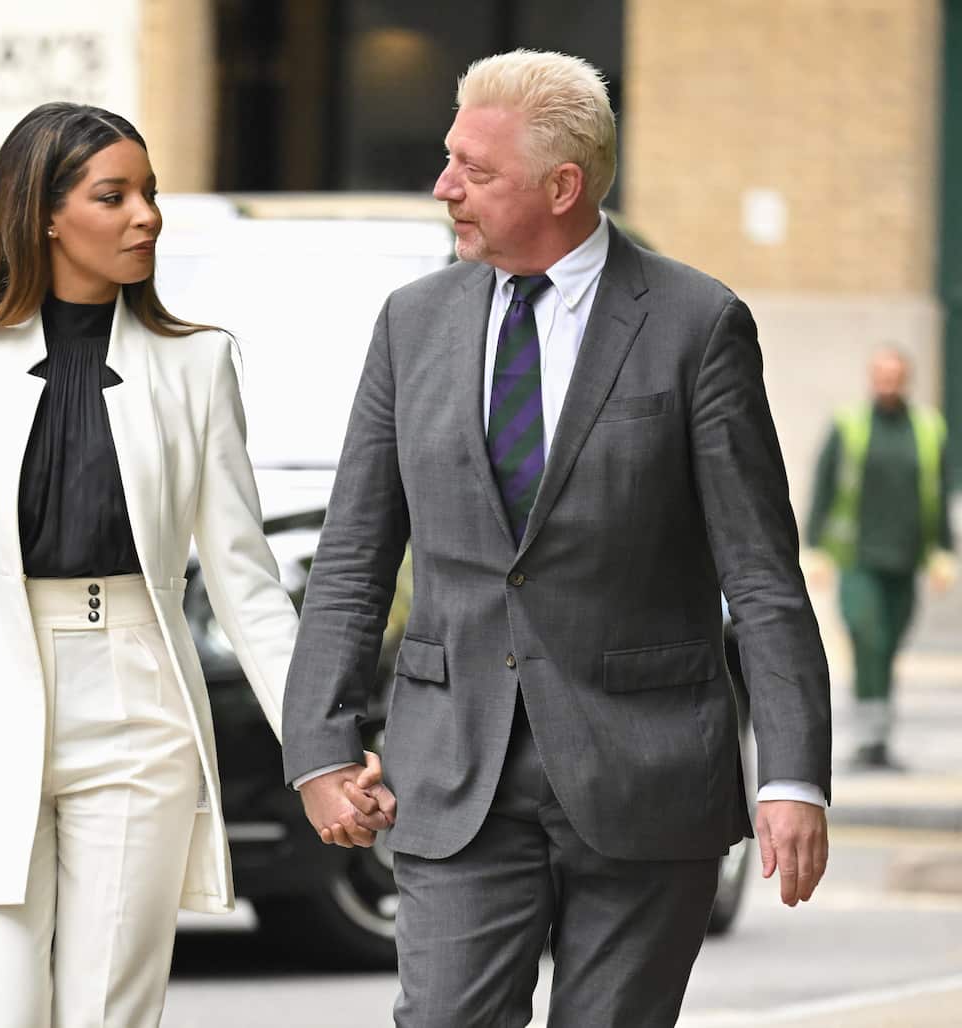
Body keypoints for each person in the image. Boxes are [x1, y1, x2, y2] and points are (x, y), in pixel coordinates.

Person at [282, 50, 832, 1027]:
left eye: (473, 170)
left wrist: (790, 775)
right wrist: (320, 745)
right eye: (449, 160)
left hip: (646, 770)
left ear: (560, 185)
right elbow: (352, 552)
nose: (443, 186)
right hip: (454, 769)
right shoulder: (411, 324)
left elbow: (761, 575)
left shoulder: (694, 323)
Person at [0, 102, 391, 1028]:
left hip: (138, 699)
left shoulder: (197, 364)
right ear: (44, 213)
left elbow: (247, 583)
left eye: (150, 195)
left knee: (109, 1012)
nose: (146, 217)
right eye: (114, 195)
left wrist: (318, 749)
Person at [805, 346, 955, 770]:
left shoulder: (927, 428)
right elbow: (824, 485)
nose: (888, 383)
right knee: (867, 637)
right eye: (881, 375)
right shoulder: (849, 425)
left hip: (906, 560)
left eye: (896, 376)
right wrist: (815, 548)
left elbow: (940, 492)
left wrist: (943, 552)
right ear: (871, 378)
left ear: (906, 379)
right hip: (858, 559)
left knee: (889, 646)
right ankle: (868, 738)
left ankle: (879, 740)